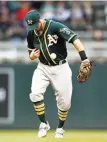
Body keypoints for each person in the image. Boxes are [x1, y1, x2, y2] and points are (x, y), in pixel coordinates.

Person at [25, 10, 90, 138]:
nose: (34, 29)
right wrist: (32, 56)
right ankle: (44, 124)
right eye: (31, 26)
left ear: (41, 20)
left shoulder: (55, 26)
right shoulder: (31, 33)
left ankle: (60, 128)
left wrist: (84, 58)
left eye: (36, 25)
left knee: (65, 103)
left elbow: (74, 39)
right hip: (43, 67)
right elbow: (31, 52)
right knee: (35, 94)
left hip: (61, 68)